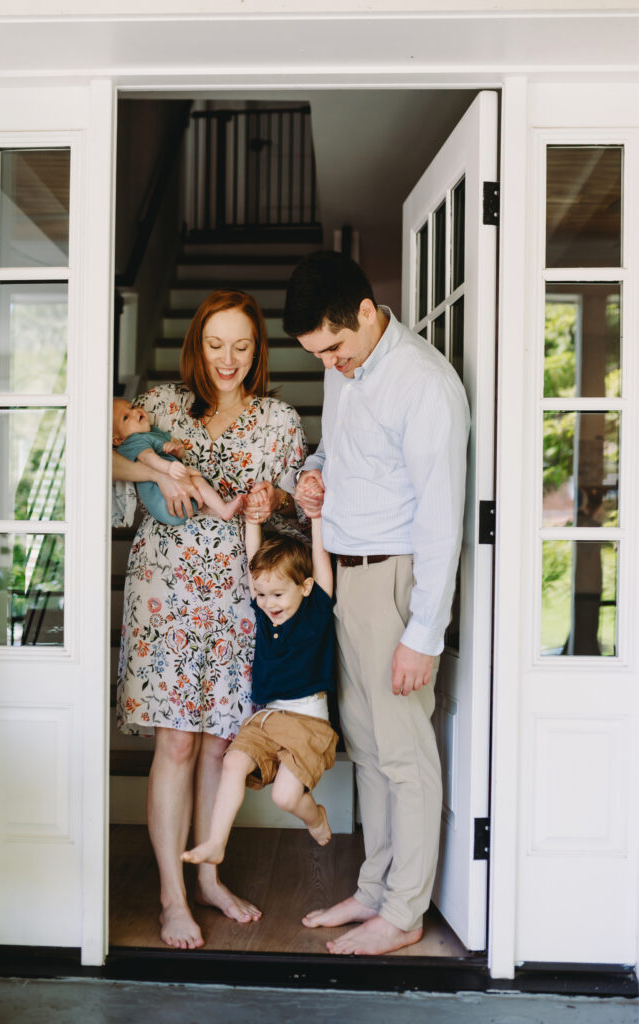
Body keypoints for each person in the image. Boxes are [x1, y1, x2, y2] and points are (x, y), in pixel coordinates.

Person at [283, 251, 469, 956]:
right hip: (344, 580)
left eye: (334, 348)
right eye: (317, 355)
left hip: (395, 580)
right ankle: (372, 890)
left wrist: (423, 632)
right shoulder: (347, 368)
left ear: (367, 312)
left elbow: (441, 517)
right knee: (365, 745)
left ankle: (405, 911)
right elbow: (338, 450)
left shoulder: (423, 384)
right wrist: (309, 474)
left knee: (404, 752)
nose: (330, 364)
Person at [113, 289, 307, 950]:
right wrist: (148, 464)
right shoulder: (160, 405)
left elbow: (298, 516)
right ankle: (173, 894)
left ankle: (208, 877)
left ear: (258, 350)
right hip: (164, 594)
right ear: (197, 345)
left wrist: (273, 496)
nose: (228, 359)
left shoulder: (278, 419)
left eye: (242, 345)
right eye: (216, 344)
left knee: (222, 745)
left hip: (235, 594)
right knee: (177, 742)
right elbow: (102, 463)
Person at [181, 516, 338, 866]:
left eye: (278, 594)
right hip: (267, 718)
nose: (268, 603)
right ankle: (216, 843)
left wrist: (316, 518)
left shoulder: (316, 612)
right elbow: (253, 562)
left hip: (307, 722)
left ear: (306, 586)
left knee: (285, 797)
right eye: (263, 595)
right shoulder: (266, 615)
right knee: (233, 761)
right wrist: (252, 522)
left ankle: (316, 817)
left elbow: (322, 562)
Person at [112, 397, 244, 524]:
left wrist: (175, 449)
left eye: (132, 407)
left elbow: (180, 450)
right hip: (164, 500)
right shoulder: (133, 441)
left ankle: (211, 510)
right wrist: (168, 468)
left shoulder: (153, 431)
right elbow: (147, 457)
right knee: (197, 480)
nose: (134, 412)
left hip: (176, 501)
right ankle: (223, 509)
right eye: (125, 417)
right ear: (118, 440)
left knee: (193, 485)